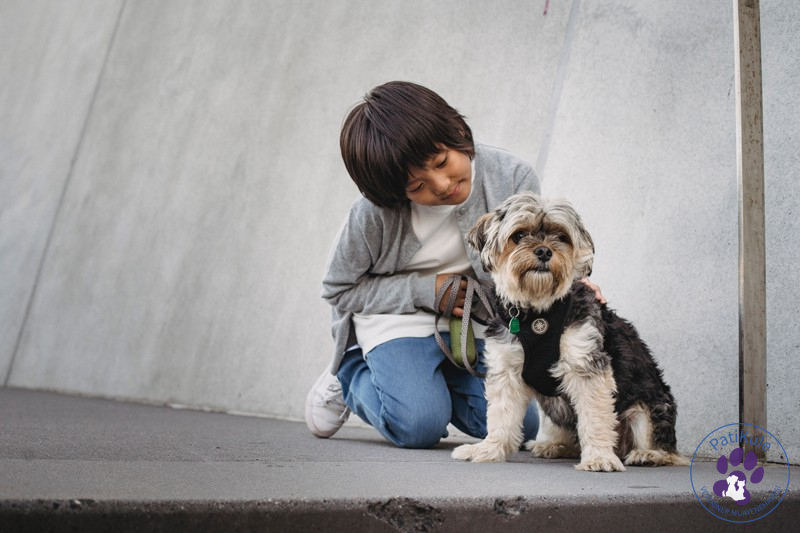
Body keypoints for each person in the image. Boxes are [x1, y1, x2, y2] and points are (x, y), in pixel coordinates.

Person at [305, 81, 603, 449]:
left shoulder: (511, 176)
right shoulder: (372, 213)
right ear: (394, 193)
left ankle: (429, 379)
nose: (443, 184)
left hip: (471, 323)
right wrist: (423, 291)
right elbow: (338, 289)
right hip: (395, 319)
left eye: (442, 162)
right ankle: (351, 375)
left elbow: (530, 256)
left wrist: (574, 288)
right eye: (417, 186)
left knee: (519, 427)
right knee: (418, 426)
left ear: (459, 131)